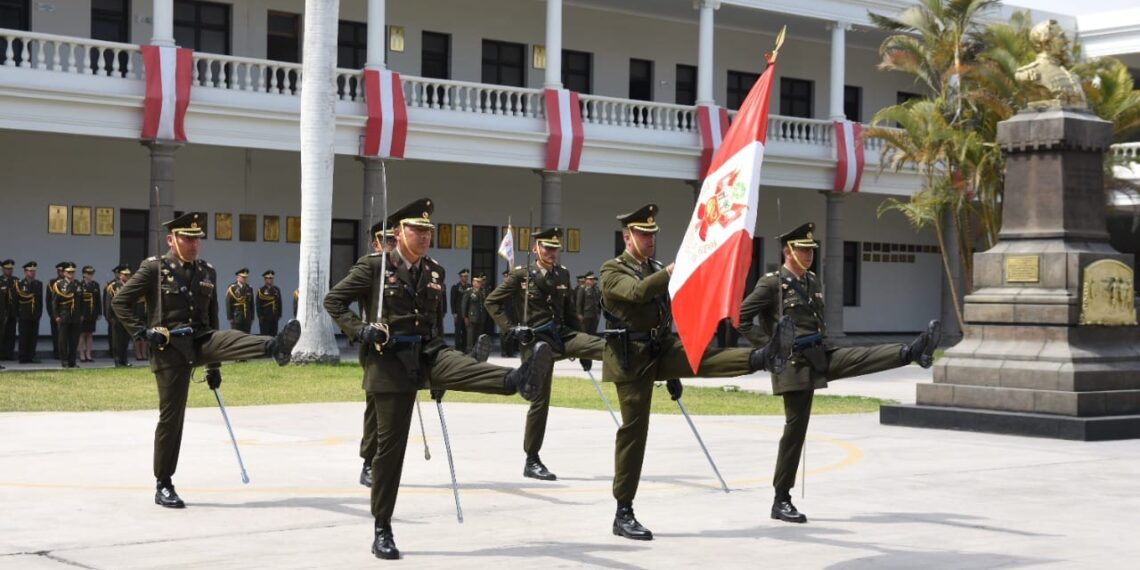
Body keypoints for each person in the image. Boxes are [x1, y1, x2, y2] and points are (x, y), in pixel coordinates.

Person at [324, 198, 555, 560]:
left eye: (428, 230)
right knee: (390, 451)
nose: (425, 235)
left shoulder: (434, 270)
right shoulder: (374, 267)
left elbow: (432, 323)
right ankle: (382, 526)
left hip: (428, 353)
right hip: (388, 364)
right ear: (399, 232)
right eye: (417, 229)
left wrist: (439, 368)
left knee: (464, 366)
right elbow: (334, 301)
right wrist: (361, 330)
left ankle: (517, 379)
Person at [601, 203, 795, 541]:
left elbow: (663, 313)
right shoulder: (612, 270)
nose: (650, 240)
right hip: (630, 360)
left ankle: (763, 357)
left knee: (702, 357)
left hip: (659, 348)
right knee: (634, 431)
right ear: (627, 236)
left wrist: (672, 370)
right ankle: (623, 511)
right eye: (643, 234)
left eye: (652, 234)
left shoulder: (657, 267)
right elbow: (637, 293)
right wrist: (670, 272)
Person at [736, 221, 941, 524]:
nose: (809, 255)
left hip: (818, 352)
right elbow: (740, 318)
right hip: (793, 364)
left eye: (811, 250)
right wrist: (770, 349)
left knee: (859, 357)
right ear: (788, 251)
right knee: (795, 431)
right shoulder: (771, 284)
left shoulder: (811, 281)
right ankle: (781, 499)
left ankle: (910, 352)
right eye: (803, 250)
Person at [111, 212, 301, 509]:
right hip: (169, 347)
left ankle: (273, 346)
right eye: (188, 238)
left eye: (198, 239)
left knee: (228, 337)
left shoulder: (207, 271)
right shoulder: (154, 269)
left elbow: (212, 317)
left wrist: (214, 365)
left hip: (200, 338)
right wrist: (144, 333)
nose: (195, 244)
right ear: (171, 240)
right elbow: (119, 302)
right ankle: (164, 483)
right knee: (172, 419)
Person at [485, 226, 606, 481]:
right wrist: (513, 329)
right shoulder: (522, 275)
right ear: (535, 249)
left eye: (554, 249)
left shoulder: (563, 273)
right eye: (546, 248)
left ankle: (642, 362)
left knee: (602, 347)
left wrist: (582, 347)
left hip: (561, 334)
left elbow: (571, 311)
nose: (551, 253)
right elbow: (492, 302)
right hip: (536, 342)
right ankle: (532, 459)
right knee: (540, 402)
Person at [52, 263, 82, 368]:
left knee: (74, 340)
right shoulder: (59, 284)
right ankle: (64, 361)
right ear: (64, 273)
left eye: (72, 272)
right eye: (69, 272)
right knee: (63, 340)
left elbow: (81, 301)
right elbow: (55, 302)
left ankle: (72, 361)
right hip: (64, 315)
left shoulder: (78, 284)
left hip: (75, 316)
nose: (71, 274)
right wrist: (56, 316)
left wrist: (81, 314)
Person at [104, 265, 133, 367]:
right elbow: (108, 302)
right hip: (116, 317)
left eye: (128, 275)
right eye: (125, 274)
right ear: (120, 275)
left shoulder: (131, 285)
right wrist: (109, 317)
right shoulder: (113, 286)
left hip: (127, 317)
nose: (127, 276)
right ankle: (117, 360)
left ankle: (124, 360)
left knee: (125, 340)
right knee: (117, 340)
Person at [15, 261, 43, 364]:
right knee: (23, 337)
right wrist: (17, 314)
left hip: (35, 315)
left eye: (34, 271)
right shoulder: (20, 284)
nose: (32, 273)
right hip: (23, 314)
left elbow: (39, 301)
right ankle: (22, 357)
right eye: (30, 271)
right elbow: (16, 301)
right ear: (25, 272)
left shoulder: (38, 284)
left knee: (33, 337)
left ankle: (31, 356)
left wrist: (39, 314)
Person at [78, 265, 101, 362]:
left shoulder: (95, 285)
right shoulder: (79, 285)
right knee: (82, 334)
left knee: (90, 334)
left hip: (92, 313)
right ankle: (81, 354)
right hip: (83, 313)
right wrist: (79, 314)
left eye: (91, 273)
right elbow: (78, 301)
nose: (90, 275)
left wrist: (99, 312)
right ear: (84, 274)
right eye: (88, 273)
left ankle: (88, 354)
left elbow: (98, 300)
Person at [461, 274, 487, 355]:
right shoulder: (469, 291)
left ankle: (477, 351)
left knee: (479, 336)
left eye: (479, 282)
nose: (478, 284)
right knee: (470, 336)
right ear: (473, 283)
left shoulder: (483, 291)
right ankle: (469, 351)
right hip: (471, 317)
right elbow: (464, 305)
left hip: (481, 317)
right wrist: (465, 317)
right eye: (476, 282)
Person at [498, 269, 520, 358]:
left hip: (513, 313)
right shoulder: (501, 288)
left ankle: (510, 352)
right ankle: (503, 351)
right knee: (504, 333)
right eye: (506, 276)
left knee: (512, 332)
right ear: (504, 278)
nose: (507, 278)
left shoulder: (514, 288)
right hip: (503, 313)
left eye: (508, 276)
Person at [449, 268, 471, 352]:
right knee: (458, 331)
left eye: (467, 276)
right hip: (458, 312)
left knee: (466, 330)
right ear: (460, 277)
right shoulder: (455, 287)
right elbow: (452, 301)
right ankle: (458, 347)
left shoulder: (469, 287)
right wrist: (454, 312)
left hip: (467, 313)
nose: (466, 278)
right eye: (464, 276)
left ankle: (465, 347)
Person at [46, 262, 65, 360]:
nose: (62, 273)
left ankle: (65, 353)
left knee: (66, 335)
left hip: (66, 314)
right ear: (57, 271)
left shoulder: (69, 282)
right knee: (56, 335)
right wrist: (52, 314)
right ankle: (57, 353)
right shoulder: (52, 283)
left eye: (63, 271)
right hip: (55, 314)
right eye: (60, 271)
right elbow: (49, 300)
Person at [226, 268, 254, 333]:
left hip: (247, 317)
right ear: (237, 277)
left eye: (246, 277)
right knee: (237, 337)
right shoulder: (232, 288)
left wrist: (252, 317)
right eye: (243, 277)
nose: (245, 279)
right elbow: (228, 303)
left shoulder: (249, 288)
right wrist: (230, 317)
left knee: (247, 337)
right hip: (236, 317)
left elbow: (251, 304)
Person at [256, 270, 282, 336]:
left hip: (274, 317)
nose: (270, 280)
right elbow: (258, 304)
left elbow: (279, 302)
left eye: (271, 278)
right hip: (265, 317)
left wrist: (279, 314)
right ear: (265, 279)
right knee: (265, 336)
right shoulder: (261, 290)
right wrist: (260, 316)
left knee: (274, 335)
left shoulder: (276, 289)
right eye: (269, 278)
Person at [576, 271, 601, 336]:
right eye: (590, 279)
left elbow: (598, 300)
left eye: (592, 279)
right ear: (586, 280)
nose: (592, 281)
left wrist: (599, 312)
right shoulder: (582, 289)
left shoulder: (596, 289)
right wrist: (579, 314)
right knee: (585, 332)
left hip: (595, 314)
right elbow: (579, 302)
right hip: (586, 314)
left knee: (593, 332)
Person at [0, 259, 14, 367]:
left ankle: (9, 354)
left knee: (10, 334)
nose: (9, 271)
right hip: (2, 313)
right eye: (6, 268)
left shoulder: (15, 281)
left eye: (10, 269)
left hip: (10, 312)